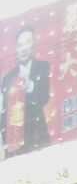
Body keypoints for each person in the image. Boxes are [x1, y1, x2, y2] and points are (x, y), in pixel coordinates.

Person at [1, 27, 52, 155]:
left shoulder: (42, 67)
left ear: (33, 45)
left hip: (37, 137)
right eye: (20, 45)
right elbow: (4, 112)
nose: (23, 49)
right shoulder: (8, 78)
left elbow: (44, 98)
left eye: (27, 43)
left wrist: (29, 85)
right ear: (16, 49)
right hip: (13, 143)